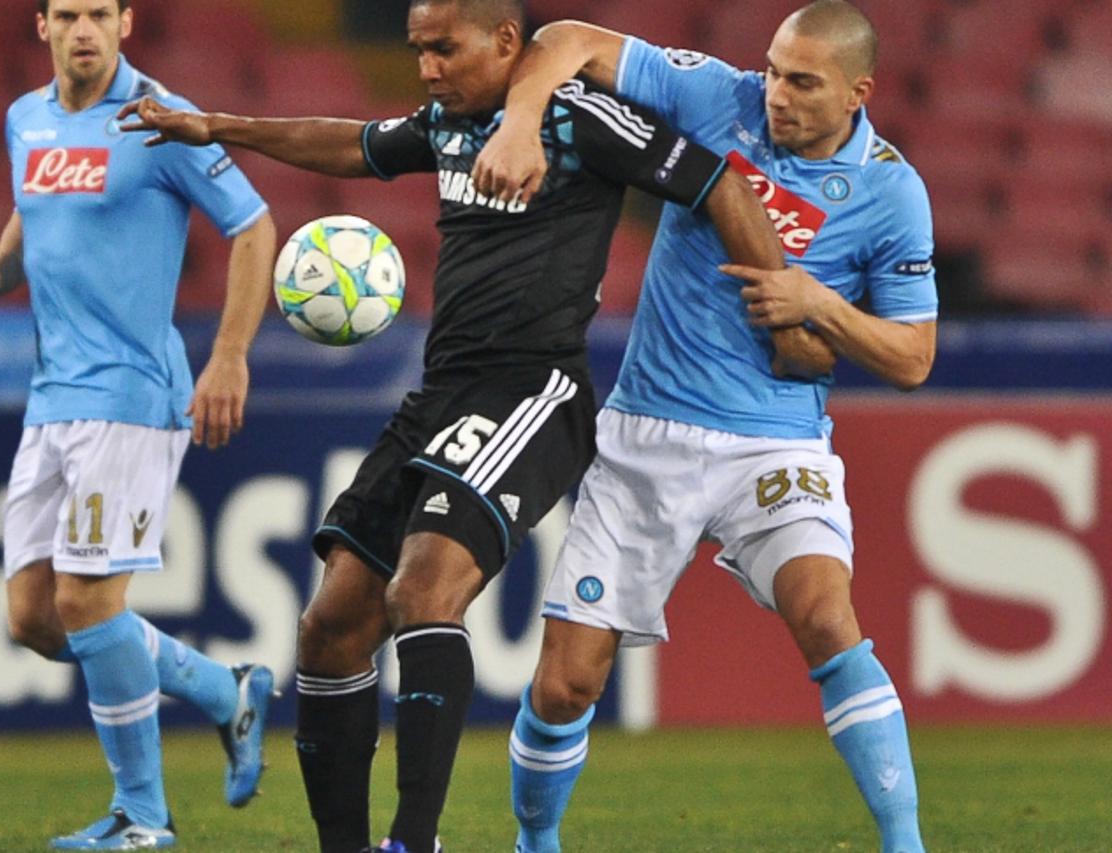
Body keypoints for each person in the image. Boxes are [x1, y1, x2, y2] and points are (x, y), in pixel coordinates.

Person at [119, 1, 831, 851]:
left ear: (503, 42)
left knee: (423, 590)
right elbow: (352, 144)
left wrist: (782, 319)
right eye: (416, 50)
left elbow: (720, 184)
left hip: (534, 391)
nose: (425, 67)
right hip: (441, 393)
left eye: (442, 49)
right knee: (331, 624)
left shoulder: (578, 118)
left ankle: (415, 840)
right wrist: (220, 127)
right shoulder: (447, 124)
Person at [470, 2, 936, 852]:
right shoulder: (716, 97)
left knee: (828, 618)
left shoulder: (893, 193)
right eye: (771, 69)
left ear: (858, 93)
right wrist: (521, 122)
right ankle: (535, 843)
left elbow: (912, 358)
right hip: (648, 435)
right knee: (567, 686)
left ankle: (905, 844)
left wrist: (821, 304)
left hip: (778, 443)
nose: (775, 94)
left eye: (802, 82)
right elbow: (565, 40)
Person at [0, 1, 278, 848]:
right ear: (41, 25)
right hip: (50, 396)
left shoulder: (159, 121)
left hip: (130, 393)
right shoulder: (27, 119)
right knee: (33, 617)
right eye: (67, 13)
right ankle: (220, 689)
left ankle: (143, 816)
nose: (82, 28)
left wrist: (229, 354)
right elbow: (34, 208)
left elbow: (254, 225)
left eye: (99, 12)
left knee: (89, 603)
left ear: (126, 22)